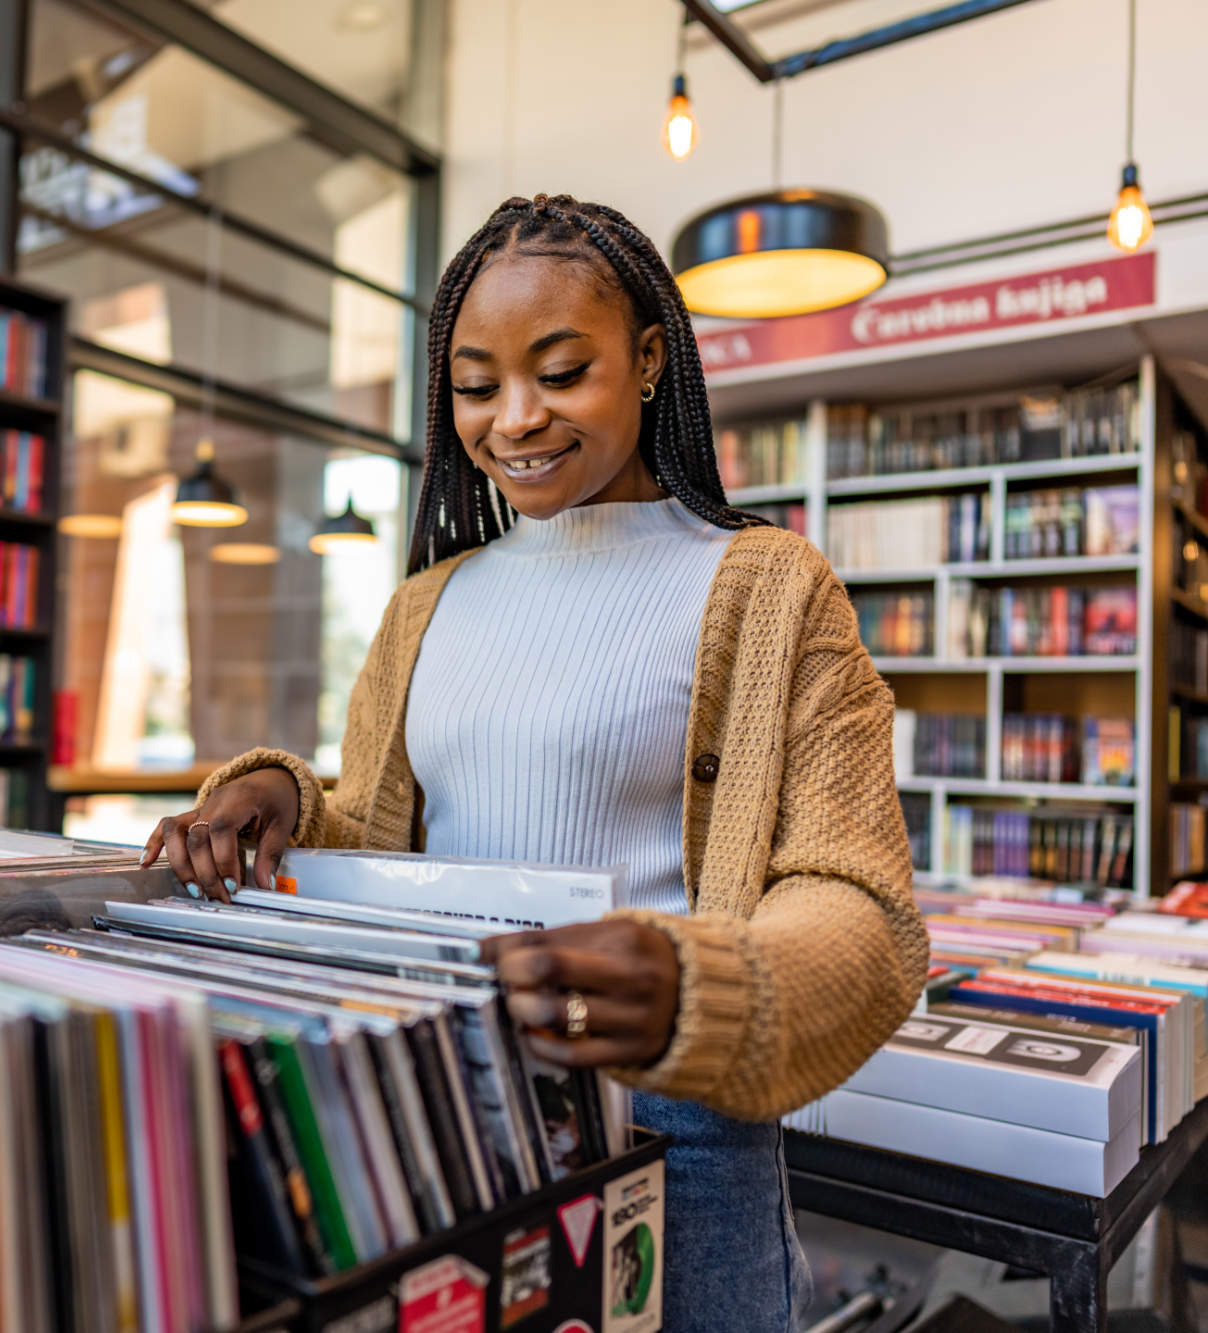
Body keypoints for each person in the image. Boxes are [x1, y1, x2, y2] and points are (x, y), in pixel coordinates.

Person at [142, 193, 928, 1332]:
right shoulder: (423, 604)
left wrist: (698, 986)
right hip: (447, 1104)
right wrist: (279, 796)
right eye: (475, 385)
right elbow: (377, 833)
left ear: (649, 358)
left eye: (561, 372)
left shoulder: (768, 588)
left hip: (679, 1121)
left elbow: (857, 902)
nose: (514, 419)